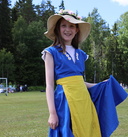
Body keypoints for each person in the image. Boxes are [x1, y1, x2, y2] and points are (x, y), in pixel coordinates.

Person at [41, 9, 101, 137]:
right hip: (65, 101)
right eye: (64, 25)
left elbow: (79, 82)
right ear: (58, 28)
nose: (67, 29)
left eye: (71, 26)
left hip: (83, 101)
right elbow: (50, 86)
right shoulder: (51, 52)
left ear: (77, 29)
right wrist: (52, 113)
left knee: (86, 130)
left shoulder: (81, 54)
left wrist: (100, 85)